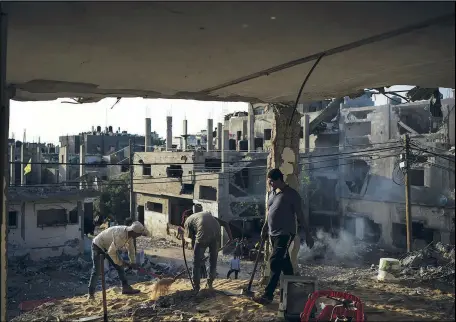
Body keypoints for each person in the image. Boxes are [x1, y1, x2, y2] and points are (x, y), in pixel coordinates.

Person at [253, 169, 314, 305]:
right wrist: (264, 229)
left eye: (272, 182)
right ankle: (293, 291)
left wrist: (308, 234)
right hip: (272, 234)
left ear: (280, 179)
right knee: (285, 264)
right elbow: (269, 214)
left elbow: (300, 215)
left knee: (275, 261)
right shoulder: (272, 194)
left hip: (285, 234)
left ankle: (268, 295)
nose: (271, 185)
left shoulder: (292, 194)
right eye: (269, 183)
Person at [87, 221, 150, 300]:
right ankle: (91, 294)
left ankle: (125, 287)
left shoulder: (130, 235)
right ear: (134, 232)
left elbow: (131, 249)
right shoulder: (120, 236)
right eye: (138, 234)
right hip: (98, 245)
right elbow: (111, 252)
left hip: (109, 247)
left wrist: (133, 262)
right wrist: (122, 262)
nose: (138, 236)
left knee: (120, 267)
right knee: (97, 270)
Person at [179, 204, 233, 293]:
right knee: (213, 260)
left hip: (203, 232)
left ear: (185, 217)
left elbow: (191, 240)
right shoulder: (206, 215)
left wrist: (198, 257)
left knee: (196, 263)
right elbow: (225, 223)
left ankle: (196, 287)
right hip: (216, 232)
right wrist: (230, 238)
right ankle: (210, 284)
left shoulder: (188, 220)